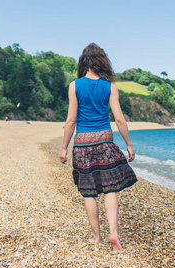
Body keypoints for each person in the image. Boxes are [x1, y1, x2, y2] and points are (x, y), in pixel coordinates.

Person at [59, 43, 137, 251]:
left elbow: (70, 121)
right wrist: (128, 144)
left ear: (83, 62)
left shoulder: (74, 86)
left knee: (89, 192)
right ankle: (114, 234)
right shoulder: (110, 86)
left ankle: (96, 237)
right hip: (105, 141)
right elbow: (119, 119)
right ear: (103, 61)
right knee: (110, 189)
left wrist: (64, 147)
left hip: (82, 143)